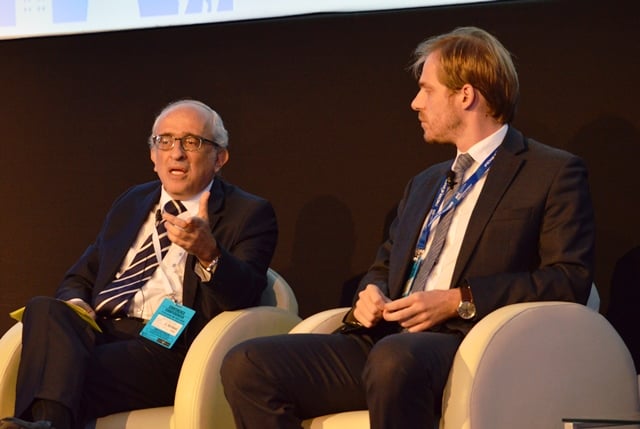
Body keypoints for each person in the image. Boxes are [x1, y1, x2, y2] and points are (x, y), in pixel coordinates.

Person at [220, 26, 595, 429]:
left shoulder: (550, 172)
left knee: (394, 359)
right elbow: (385, 265)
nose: (416, 103)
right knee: (247, 363)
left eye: (426, 90)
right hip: (385, 340)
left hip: (467, 342)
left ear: (465, 95)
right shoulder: (425, 183)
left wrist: (459, 300)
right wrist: (370, 293)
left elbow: (568, 278)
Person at [0, 99, 278, 429]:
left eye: (192, 142)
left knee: (57, 368)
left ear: (220, 158)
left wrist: (209, 253)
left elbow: (246, 294)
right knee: (45, 308)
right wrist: (77, 305)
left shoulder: (248, 213)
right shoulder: (132, 202)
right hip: (101, 329)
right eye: (165, 141)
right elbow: (82, 275)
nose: (177, 153)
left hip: (167, 344)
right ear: (152, 155)